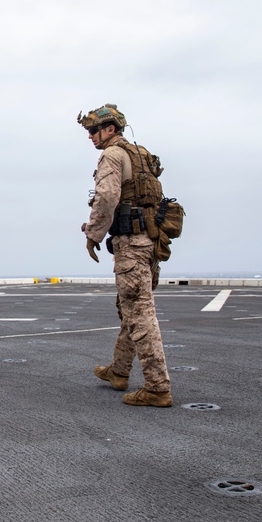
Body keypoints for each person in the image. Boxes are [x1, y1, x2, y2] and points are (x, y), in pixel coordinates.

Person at [78, 105, 172, 407]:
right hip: (151, 241)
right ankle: (118, 371)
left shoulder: (112, 155)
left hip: (132, 242)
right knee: (131, 307)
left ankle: (157, 387)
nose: (91, 136)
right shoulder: (140, 154)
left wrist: (93, 234)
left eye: (95, 130)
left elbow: (107, 197)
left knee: (138, 311)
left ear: (111, 129)